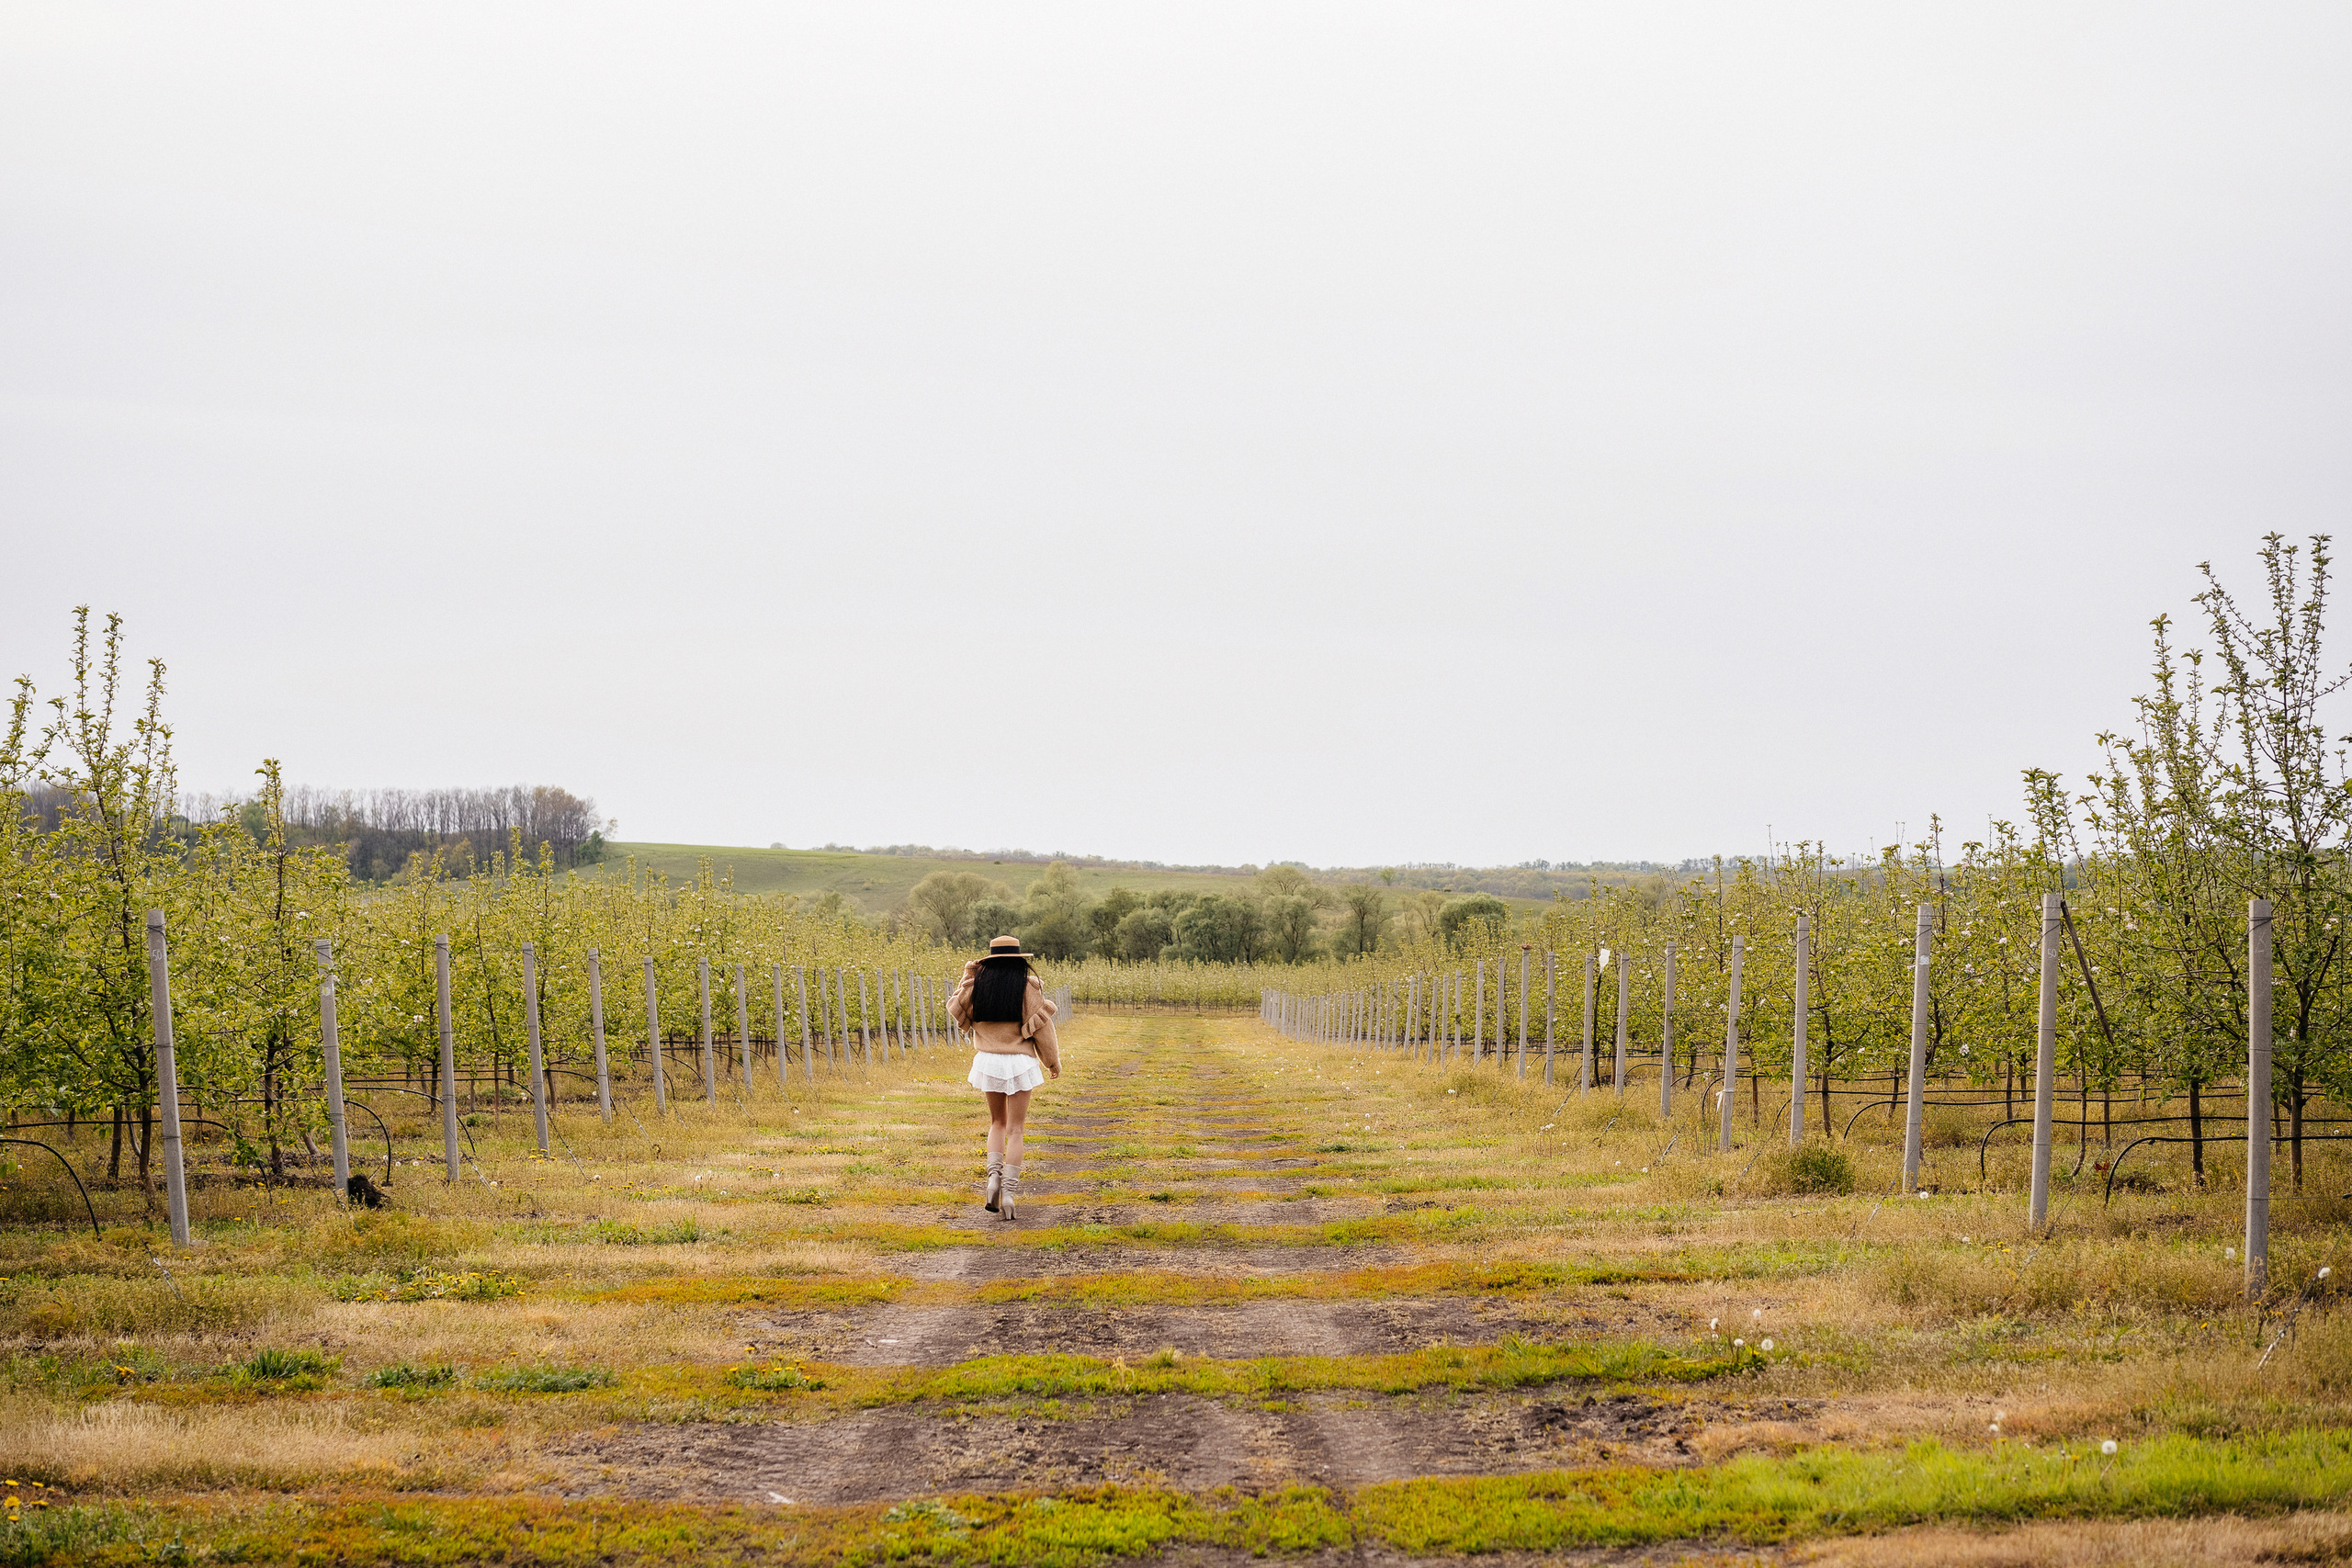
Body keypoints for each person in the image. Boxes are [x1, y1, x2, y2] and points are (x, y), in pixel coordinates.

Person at [948, 934, 1060, 1220]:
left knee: (997, 1123)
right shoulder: (1027, 987)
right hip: (1020, 1062)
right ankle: (1009, 1193)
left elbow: (957, 1006)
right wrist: (1052, 1061)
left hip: (989, 1061)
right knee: (1016, 1130)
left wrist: (968, 974)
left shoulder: (978, 988)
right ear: (1018, 960)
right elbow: (1043, 1031)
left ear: (989, 960)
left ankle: (992, 1181)